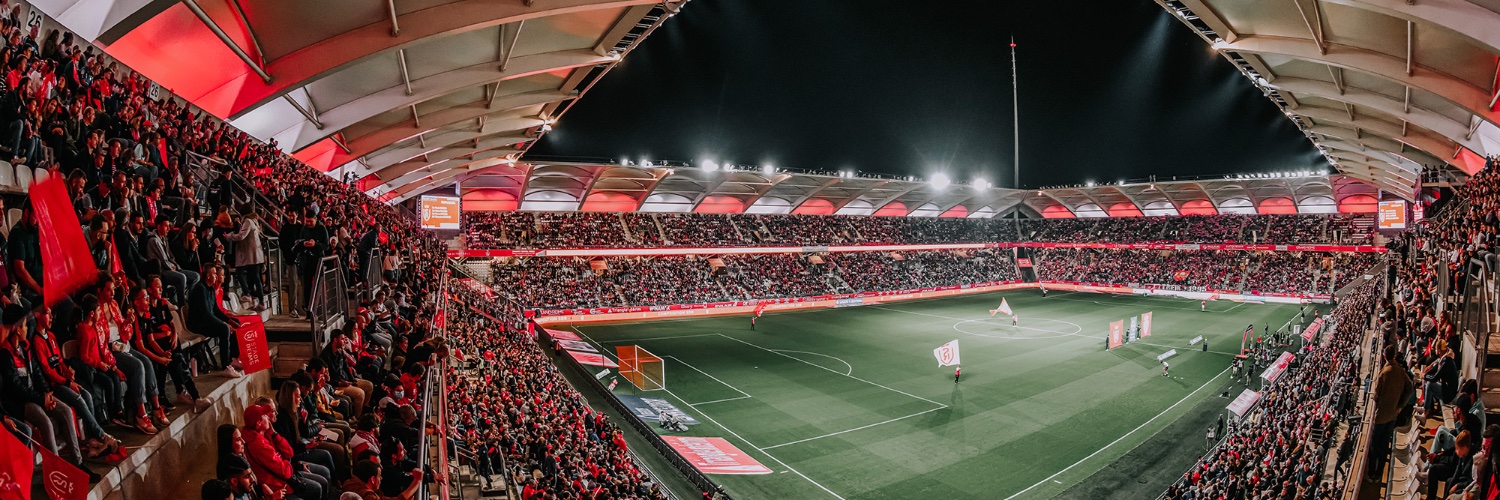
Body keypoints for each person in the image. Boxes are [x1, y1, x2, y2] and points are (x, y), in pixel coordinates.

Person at [1368, 346, 1412, 482]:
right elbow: (1410, 387)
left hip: (1381, 415)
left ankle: (1371, 473)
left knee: (1374, 445)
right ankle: (1379, 473)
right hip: (1393, 415)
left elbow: (1376, 395)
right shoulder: (1401, 371)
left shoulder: (1384, 373)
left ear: (1384, 355)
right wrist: (1400, 406)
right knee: (1384, 444)